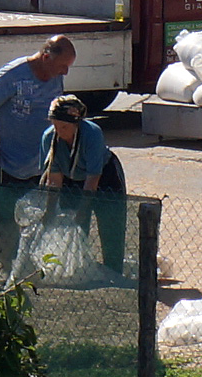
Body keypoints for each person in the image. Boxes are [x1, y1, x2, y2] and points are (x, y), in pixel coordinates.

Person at [0, 36, 75, 253]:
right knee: (6, 220)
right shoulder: (13, 75)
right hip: (9, 161)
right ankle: (9, 270)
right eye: (62, 66)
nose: (65, 72)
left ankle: (33, 271)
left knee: (40, 217)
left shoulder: (55, 77)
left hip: (42, 163)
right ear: (46, 57)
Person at [35, 93, 127, 273]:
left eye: (64, 126)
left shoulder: (91, 133)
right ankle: (76, 268)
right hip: (71, 178)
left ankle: (114, 270)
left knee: (111, 225)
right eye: (55, 125)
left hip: (104, 178)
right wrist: (49, 210)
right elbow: (54, 178)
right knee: (72, 225)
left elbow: (93, 177)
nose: (59, 131)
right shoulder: (49, 138)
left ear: (76, 123)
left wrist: (84, 209)